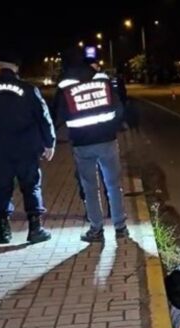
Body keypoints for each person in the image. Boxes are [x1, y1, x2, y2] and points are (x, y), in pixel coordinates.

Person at [0, 50, 56, 244]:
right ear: (16, 67)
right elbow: (43, 117)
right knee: (31, 186)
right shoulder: (27, 89)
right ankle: (35, 230)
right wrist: (48, 142)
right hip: (26, 148)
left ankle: (4, 232)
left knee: (1, 188)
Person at [54, 51, 128, 243]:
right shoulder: (103, 82)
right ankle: (120, 227)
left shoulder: (66, 87)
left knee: (90, 188)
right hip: (107, 140)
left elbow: (59, 116)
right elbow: (119, 108)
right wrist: (111, 126)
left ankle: (96, 229)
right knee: (113, 185)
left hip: (82, 144)